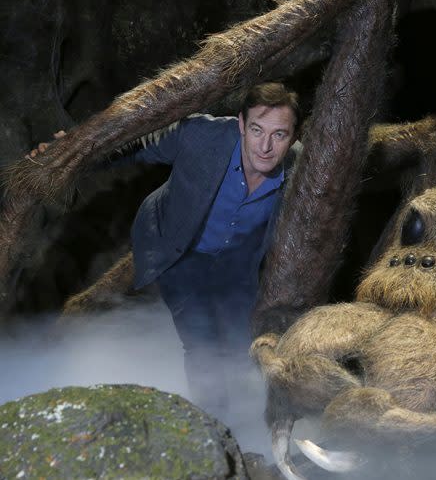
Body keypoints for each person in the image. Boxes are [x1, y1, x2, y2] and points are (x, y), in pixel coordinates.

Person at [33, 82, 301, 419]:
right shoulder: (201, 136)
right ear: (240, 125)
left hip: (237, 266)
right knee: (201, 340)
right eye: (257, 130)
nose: (265, 146)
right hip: (180, 250)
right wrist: (69, 154)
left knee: (242, 345)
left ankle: (250, 422)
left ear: (292, 137)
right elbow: (137, 144)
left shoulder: (302, 168)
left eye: (279, 135)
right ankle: (213, 426)